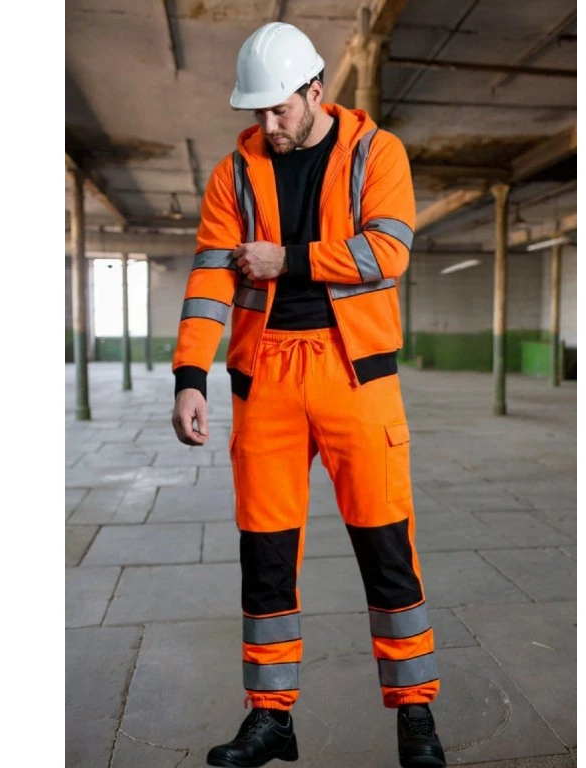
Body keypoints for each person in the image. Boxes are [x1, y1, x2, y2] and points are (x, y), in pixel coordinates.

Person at [171, 21, 445, 768]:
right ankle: (271, 717)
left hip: (357, 377)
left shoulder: (376, 153)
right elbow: (210, 277)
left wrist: (286, 260)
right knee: (265, 553)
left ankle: (415, 713)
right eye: (256, 111)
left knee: (386, 546)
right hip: (265, 380)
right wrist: (190, 375)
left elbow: (387, 251)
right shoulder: (233, 174)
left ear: (316, 90)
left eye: (280, 108)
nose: (268, 124)